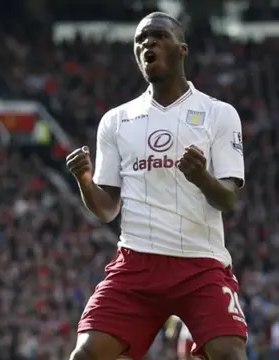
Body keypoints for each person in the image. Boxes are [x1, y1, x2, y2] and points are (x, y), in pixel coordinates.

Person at [65, 11, 247, 360]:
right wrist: (85, 180)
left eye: (158, 35)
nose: (147, 42)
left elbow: (228, 200)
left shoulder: (218, 113)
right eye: (140, 40)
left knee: (230, 354)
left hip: (200, 263)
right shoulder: (117, 121)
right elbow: (106, 209)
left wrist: (201, 177)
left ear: (182, 49)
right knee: (85, 355)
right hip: (137, 263)